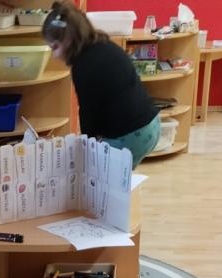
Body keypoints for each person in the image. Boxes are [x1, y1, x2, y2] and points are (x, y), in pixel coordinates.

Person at [42, 1, 162, 166]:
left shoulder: (83, 67)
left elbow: (88, 113)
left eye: (55, 47)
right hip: (152, 125)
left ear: (69, 40)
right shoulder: (104, 44)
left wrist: (88, 147)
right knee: (117, 172)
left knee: (99, 171)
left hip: (131, 136)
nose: (54, 56)